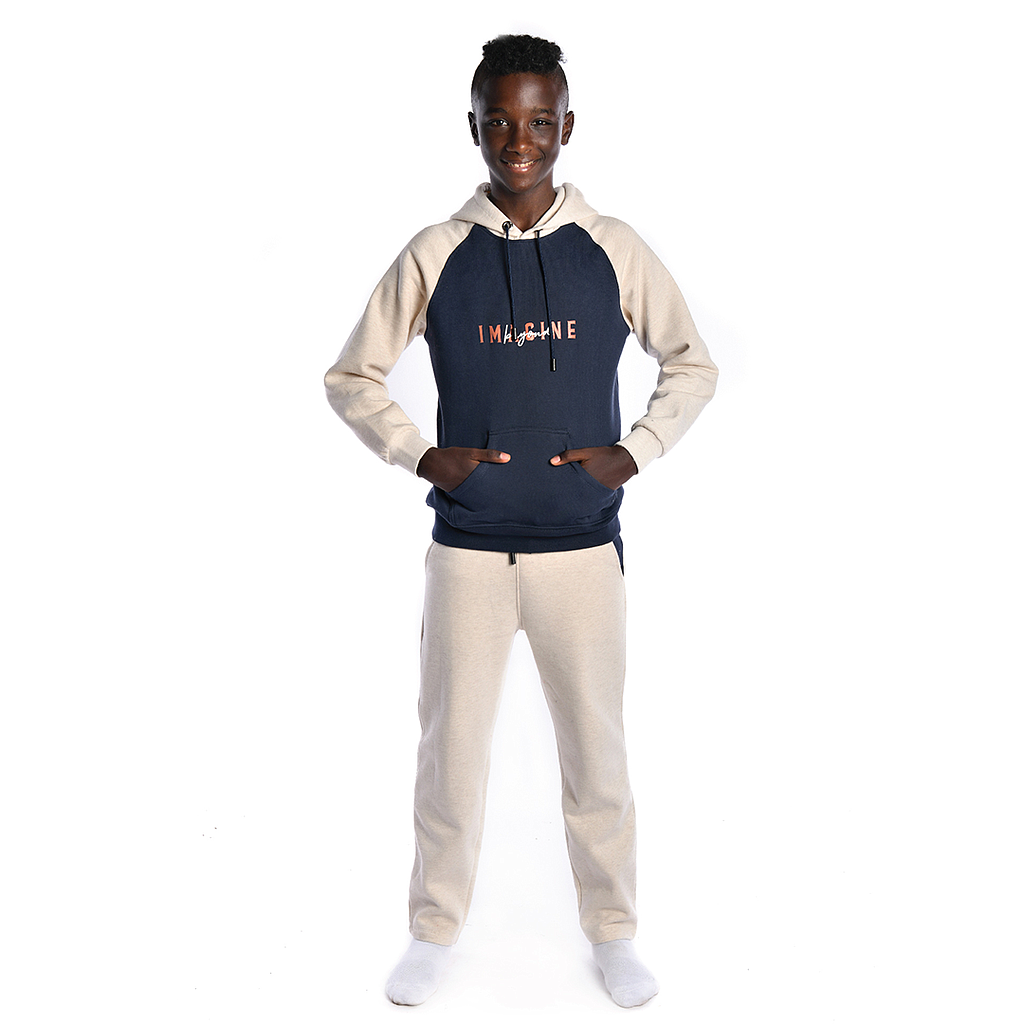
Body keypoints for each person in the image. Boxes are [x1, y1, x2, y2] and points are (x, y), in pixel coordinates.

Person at [325, 33, 717, 1007]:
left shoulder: (611, 246)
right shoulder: (437, 251)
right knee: (448, 754)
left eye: (538, 122)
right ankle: (433, 930)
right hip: (467, 552)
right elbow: (352, 375)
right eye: (499, 122)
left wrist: (637, 449)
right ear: (473, 127)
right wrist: (421, 453)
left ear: (566, 126)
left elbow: (691, 361)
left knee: (597, 755)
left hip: (581, 553)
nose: (519, 142)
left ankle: (613, 933)